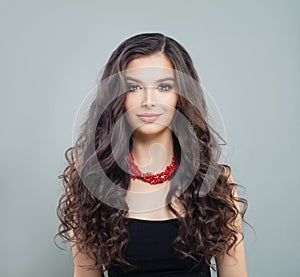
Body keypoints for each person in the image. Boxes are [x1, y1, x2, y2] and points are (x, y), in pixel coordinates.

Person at [55, 33, 249, 277]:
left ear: (181, 96)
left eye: (164, 86)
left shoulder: (216, 181)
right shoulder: (90, 181)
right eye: (134, 87)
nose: (148, 101)